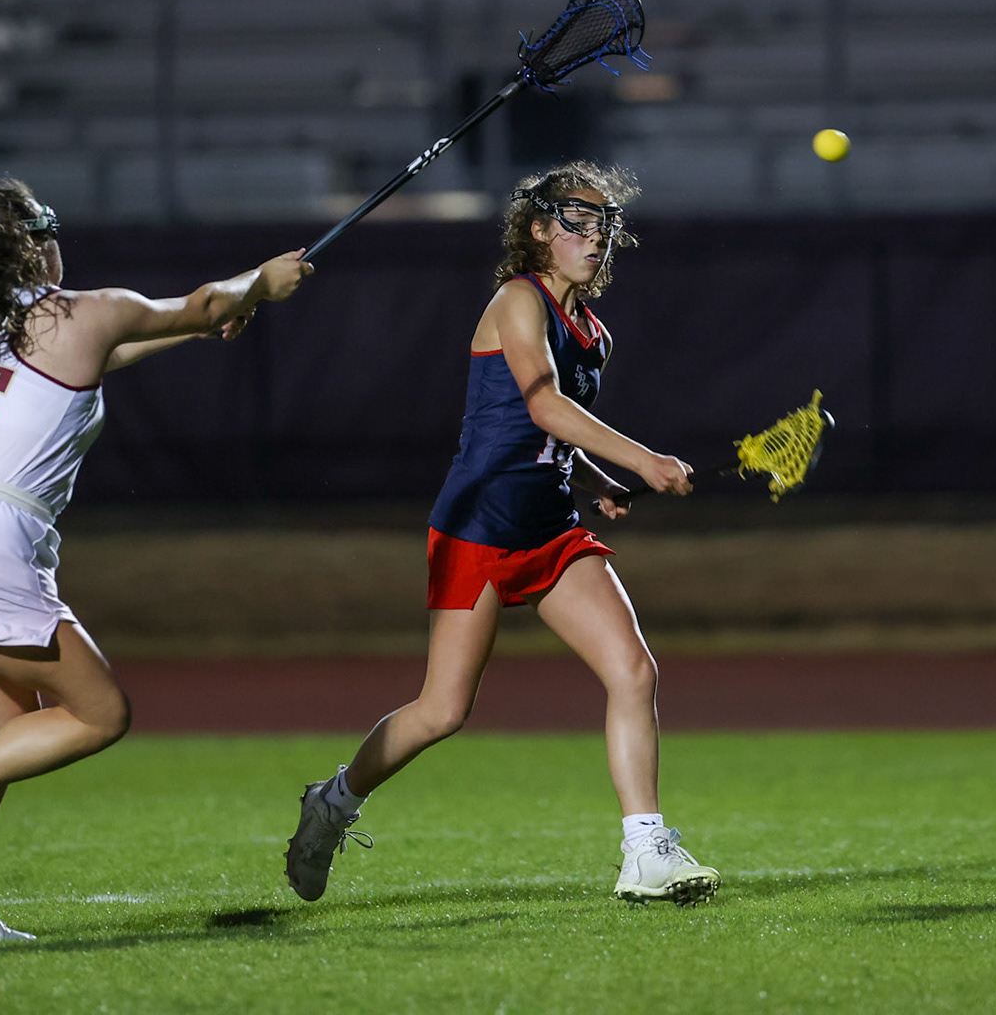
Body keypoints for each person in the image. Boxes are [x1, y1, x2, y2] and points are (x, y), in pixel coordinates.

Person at [0, 180, 311, 941]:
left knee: (4, 722)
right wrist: (259, 286)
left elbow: (126, 342)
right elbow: (204, 301)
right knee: (101, 713)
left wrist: (211, 321)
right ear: (37, 242)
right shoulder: (86, 309)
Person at [283, 161, 721, 906]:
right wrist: (644, 460)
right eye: (577, 222)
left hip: (551, 527)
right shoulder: (517, 301)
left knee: (634, 671)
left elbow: (552, 439)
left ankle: (646, 850)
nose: (595, 236)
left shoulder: (594, 334)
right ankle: (333, 802)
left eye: (605, 223)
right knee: (443, 710)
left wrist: (595, 482)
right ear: (540, 231)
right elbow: (542, 406)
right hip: (480, 525)